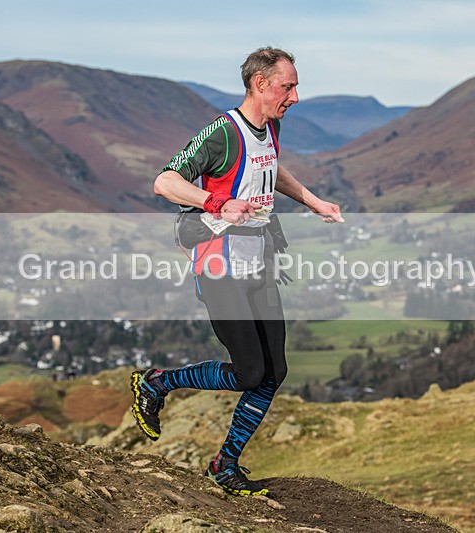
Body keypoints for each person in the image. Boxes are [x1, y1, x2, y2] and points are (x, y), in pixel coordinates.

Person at [131, 46, 343, 497]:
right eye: (288, 87)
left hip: (259, 260)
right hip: (219, 263)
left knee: (275, 370)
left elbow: (270, 168)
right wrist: (217, 202)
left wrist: (313, 201)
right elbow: (165, 181)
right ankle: (158, 382)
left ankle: (224, 464)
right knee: (249, 373)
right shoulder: (222, 133)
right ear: (260, 84)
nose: (295, 97)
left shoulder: (271, 126)